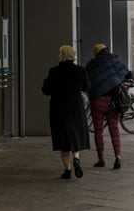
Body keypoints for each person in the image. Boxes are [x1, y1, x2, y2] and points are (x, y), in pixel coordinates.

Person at [42, 45, 91, 180]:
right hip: (75, 108)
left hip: (59, 109)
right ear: (73, 55)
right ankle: (76, 158)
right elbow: (87, 86)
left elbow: (46, 90)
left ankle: (67, 170)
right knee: (75, 134)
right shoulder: (80, 71)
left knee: (62, 137)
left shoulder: (54, 71)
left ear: (61, 55)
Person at [85, 43, 129, 170]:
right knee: (114, 130)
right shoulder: (114, 61)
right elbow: (127, 74)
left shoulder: (91, 64)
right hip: (113, 101)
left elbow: (87, 82)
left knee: (98, 131)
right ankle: (118, 157)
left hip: (97, 101)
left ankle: (101, 159)